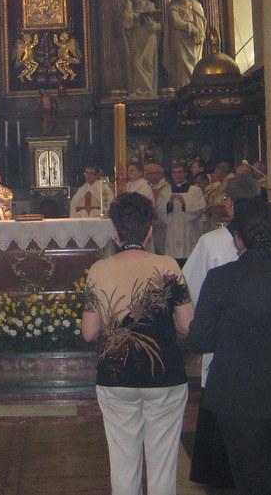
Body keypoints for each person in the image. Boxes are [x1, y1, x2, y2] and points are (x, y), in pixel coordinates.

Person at [82, 192, 194, 495]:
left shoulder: (99, 270)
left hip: (116, 377)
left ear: (115, 230)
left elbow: (89, 332)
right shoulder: (168, 265)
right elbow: (187, 325)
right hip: (164, 377)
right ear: (149, 230)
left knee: (122, 464)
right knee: (163, 465)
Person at [189, 197, 271, 495]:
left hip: (235, 394)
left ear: (237, 238)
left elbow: (200, 339)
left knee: (249, 477)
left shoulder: (221, 278)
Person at [156, 163, 206, 265]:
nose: (177, 175)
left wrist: (185, 204)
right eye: (174, 172)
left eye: (179, 172)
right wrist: (169, 204)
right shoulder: (165, 192)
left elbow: (201, 207)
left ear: (185, 174)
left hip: (189, 231)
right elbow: (159, 209)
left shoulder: (195, 190)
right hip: (172, 232)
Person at [164, 0, 206, 90]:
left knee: (195, 62)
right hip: (179, 39)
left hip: (193, 41)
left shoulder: (196, 5)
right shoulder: (174, 7)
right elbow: (176, 22)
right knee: (181, 62)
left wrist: (199, 33)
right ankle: (182, 88)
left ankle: (194, 86)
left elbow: (200, 23)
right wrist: (190, 27)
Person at [122, 0, 161, 97]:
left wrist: (152, 24)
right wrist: (129, 9)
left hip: (149, 38)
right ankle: (138, 90)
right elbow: (126, 24)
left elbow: (159, 26)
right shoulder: (131, 8)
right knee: (136, 63)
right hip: (136, 38)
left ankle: (149, 90)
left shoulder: (151, 7)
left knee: (148, 64)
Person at [145, 163, 170, 253]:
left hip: (161, 222)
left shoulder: (166, 187)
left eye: (151, 173)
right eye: (148, 173)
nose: (148, 176)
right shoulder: (147, 186)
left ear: (160, 174)